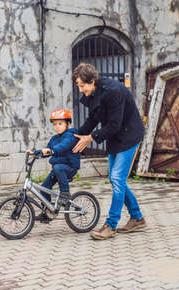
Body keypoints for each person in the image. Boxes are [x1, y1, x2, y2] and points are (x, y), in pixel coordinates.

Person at [71, 63, 146, 240]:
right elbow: (93, 119)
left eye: (82, 86)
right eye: (78, 86)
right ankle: (137, 218)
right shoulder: (95, 92)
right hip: (115, 137)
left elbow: (114, 124)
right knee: (116, 179)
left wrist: (90, 138)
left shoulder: (113, 92)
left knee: (117, 179)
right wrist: (74, 136)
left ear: (92, 81)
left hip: (129, 135)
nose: (81, 90)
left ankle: (110, 225)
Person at [27, 109, 80, 223]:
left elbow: (63, 146)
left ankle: (65, 193)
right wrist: (35, 153)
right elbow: (47, 150)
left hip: (69, 168)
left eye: (60, 124)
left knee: (58, 167)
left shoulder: (70, 136)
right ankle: (47, 213)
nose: (57, 127)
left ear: (68, 124)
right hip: (58, 170)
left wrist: (52, 150)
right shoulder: (54, 138)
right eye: (55, 124)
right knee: (44, 189)